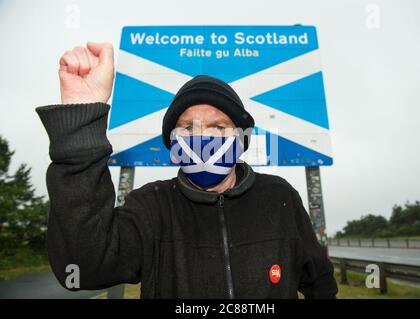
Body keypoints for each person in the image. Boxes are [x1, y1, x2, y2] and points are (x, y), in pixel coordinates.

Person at [35, 42, 338, 299]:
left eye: (219, 126)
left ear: (241, 139)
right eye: (187, 128)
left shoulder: (279, 197)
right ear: (173, 145)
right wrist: (81, 120)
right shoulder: (150, 206)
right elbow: (83, 265)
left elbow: (320, 283)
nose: (203, 138)